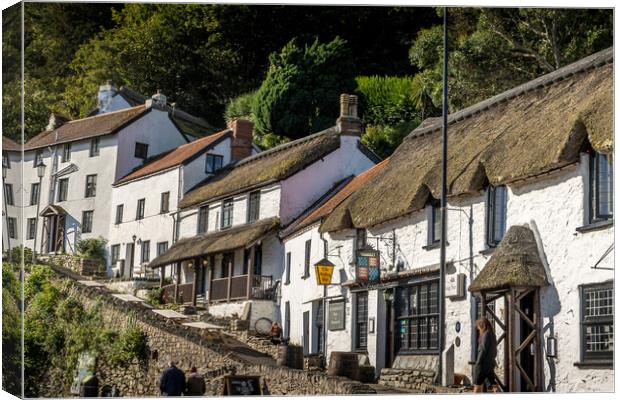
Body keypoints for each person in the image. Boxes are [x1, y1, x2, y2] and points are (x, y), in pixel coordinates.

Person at [473, 317, 498, 393]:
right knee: (493, 384)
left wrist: (478, 362)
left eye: (478, 326)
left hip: (483, 364)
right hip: (490, 363)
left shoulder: (486, 334)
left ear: (481, 325)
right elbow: (494, 351)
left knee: (477, 384)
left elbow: (483, 350)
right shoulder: (492, 334)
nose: (477, 328)